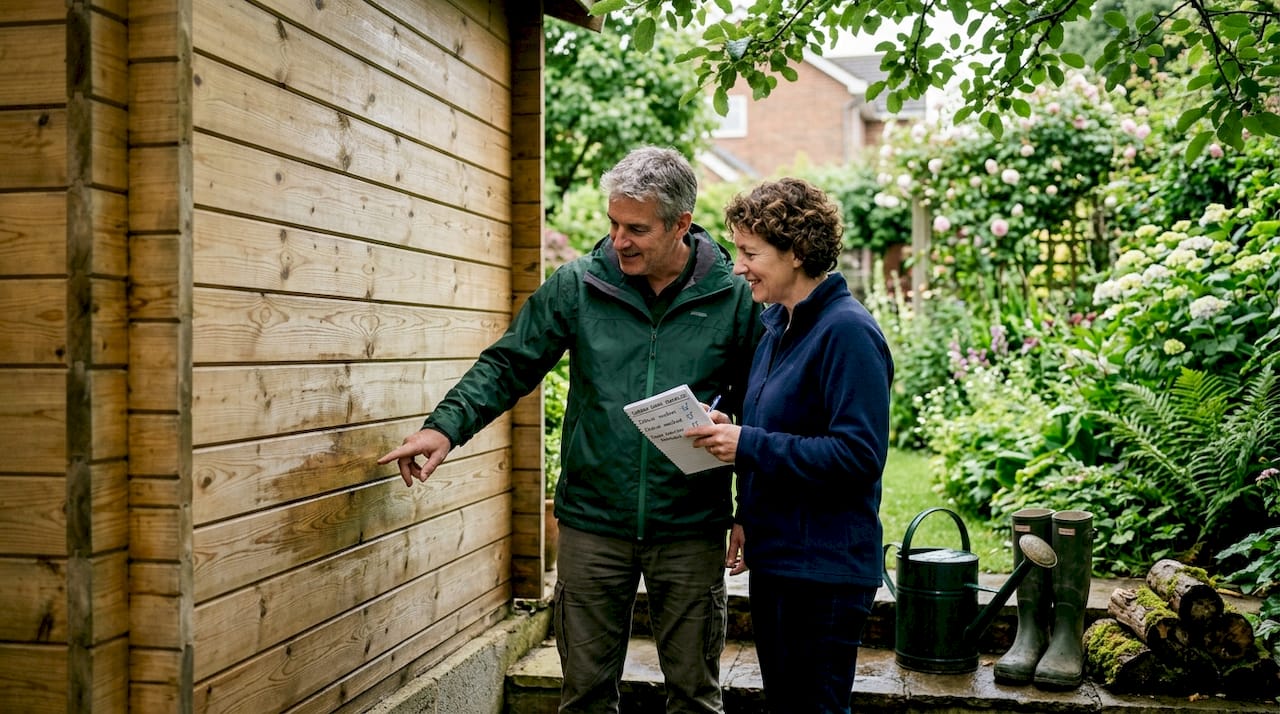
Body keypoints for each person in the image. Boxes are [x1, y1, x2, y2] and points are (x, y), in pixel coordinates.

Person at [378, 146, 762, 713]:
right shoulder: (579, 285)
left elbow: (759, 400)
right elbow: (509, 364)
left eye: (636, 228)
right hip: (592, 524)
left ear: (681, 224)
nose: (619, 240)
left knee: (695, 699)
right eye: (613, 223)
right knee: (582, 696)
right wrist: (444, 429)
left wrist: (748, 507)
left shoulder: (732, 297)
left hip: (689, 524)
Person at [686, 177, 893, 714]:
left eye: (751, 252)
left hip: (824, 570)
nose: (737, 266)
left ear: (797, 252)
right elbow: (778, 426)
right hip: (779, 559)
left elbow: (858, 455)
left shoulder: (847, 332)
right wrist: (745, 512)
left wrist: (747, 443)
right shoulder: (777, 324)